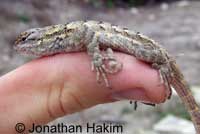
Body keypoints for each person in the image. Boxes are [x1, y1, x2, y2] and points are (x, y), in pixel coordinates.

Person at [0, 52, 166, 133]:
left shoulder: (67, 35)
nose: (21, 48)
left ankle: (165, 67)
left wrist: (95, 57)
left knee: (147, 60)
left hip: (137, 44)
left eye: (25, 41)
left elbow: (88, 33)